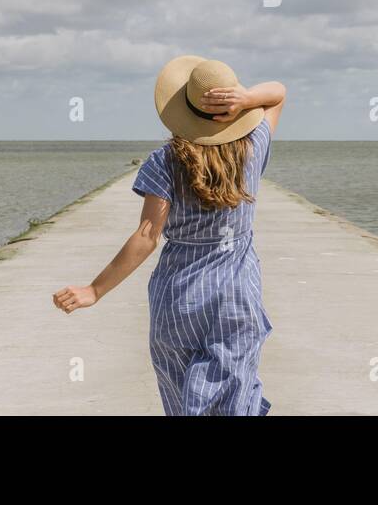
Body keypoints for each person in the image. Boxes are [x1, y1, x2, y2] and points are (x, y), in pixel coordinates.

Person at [52, 55, 286, 415]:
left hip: (180, 298)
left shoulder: (165, 162)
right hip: (237, 295)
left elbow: (147, 236)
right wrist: (247, 99)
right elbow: (278, 93)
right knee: (236, 393)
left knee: (182, 401)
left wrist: (94, 290)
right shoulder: (253, 146)